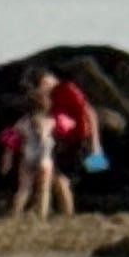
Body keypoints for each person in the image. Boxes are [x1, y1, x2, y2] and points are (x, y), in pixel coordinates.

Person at [3, 67, 71, 223]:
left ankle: (15, 214)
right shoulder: (51, 120)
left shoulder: (22, 122)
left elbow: (9, 143)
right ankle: (42, 216)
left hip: (27, 159)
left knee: (24, 190)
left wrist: (6, 161)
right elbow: (66, 128)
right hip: (45, 159)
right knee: (44, 190)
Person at [47, 67, 99, 195]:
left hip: (79, 137)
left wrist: (95, 142)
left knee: (79, 170)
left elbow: (88, 112)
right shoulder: (59, 91)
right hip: (70, 138)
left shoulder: (66, 89)